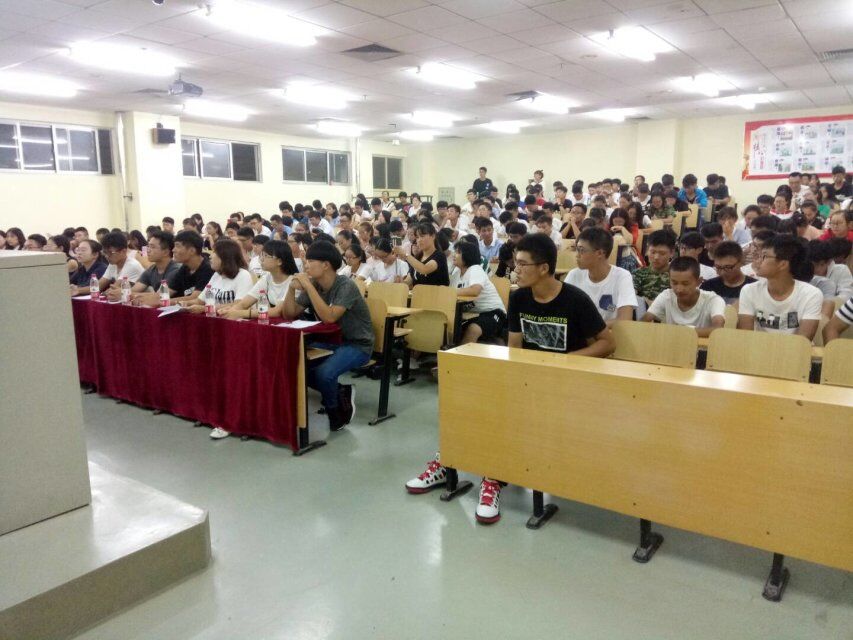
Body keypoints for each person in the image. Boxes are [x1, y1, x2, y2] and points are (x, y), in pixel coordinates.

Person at [405, 234, 614, 524]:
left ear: (544, 268)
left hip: (565, 382)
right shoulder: (518, 298)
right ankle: (447, 461)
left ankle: (493, 478)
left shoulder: (574, 299)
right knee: (470, 398)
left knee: (506, 415)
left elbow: (607, 343)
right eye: (515, 262)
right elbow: (514, 348)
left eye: (522, 264)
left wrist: (566, 361)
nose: (516, 269)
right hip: (528, 377)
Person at [281, 240, 373, 431]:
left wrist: (308, 286)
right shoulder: (315, 285)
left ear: (325, 265)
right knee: (296, 364)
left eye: (310, 261)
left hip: (357, 344)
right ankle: (340, 391)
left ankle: (336, 413)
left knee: (324, 373)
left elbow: (330, 317)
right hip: (332, 341)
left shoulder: (346, 286)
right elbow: (290, 313)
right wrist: (291, 288)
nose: (306, 265)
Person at [737, 234, 823, 341]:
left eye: (764, 256)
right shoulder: (749, 290)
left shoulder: (811, 294)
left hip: (795, 350)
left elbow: (802, 342)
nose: (757, 260)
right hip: (759, 348)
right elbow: (745, 337)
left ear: (783, 264)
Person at [566, 227, 637, 325]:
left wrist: (590, 329)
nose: (577, 255)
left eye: (581, 250)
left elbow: (625, 319)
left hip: (610, 333)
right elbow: (562, 311)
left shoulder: (622, 276)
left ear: (600, 253)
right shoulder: (574, 275)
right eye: (576, 249)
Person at [642, 256, 725, 337]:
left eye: (685, 284)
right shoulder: (666, 296)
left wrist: (679, 332)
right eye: (674, 283)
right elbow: (643, 322)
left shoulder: (713, 300)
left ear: (698, 282)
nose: (679, 289)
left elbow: (718, 329)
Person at [218, 240, 299, 320]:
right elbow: (244, 304)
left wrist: (240, 313)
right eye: (261, 255)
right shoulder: (267, 278)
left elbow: (276, 311)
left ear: (279, 261)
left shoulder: (294, 281)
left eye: (266, 256)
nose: (261, 259)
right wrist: (229, 311)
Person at [454, 241, 506, 344]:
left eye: (458, 252)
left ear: (468, 255)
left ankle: (463, 355)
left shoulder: (475, 269)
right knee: (454, 328)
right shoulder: (456, 272)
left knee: (473, 329)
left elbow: (475, 290)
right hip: (475, 314)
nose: (454, 255)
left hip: (494, 312)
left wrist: (451, 292)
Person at [128, 231, 180, 306]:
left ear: (165, 252)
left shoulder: (176, 270)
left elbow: (159, 296)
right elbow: (133, 290)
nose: (148, 250)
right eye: (148, 246)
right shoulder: (151, 269)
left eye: (152, 247)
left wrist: (132, 295)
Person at [168, 230, 215, 303]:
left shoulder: (208, 269)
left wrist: (163, 302)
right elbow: (169, 291)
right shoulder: (185, 268)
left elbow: (195, 298)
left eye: (177, 246)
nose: (173, 250)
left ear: (192, 251)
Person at [396, 223, 449, 287]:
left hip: (437, 293)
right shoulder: (417, 258)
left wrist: (405, 255)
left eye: (422, 236)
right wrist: (401, 282)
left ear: (433, 236)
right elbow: (408, 281)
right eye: (417, 237)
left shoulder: (440, 256)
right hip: (418, 293)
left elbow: (424, 269)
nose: (419, 240)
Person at [633, 229, 676, 304]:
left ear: (672, 253)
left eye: (662, 253)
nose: (656, 257)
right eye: (653, 252)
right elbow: (630, 297)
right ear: (647, 250)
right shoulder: (639, 273)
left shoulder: (677, 276)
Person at [99, 232, 145, 299]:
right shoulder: (113, 264)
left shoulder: (132, 265)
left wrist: (105, 292)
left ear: (123, 251)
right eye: (105, 252)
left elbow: (112, 291)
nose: (106, 256)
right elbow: (98, 286)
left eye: (110, 253)